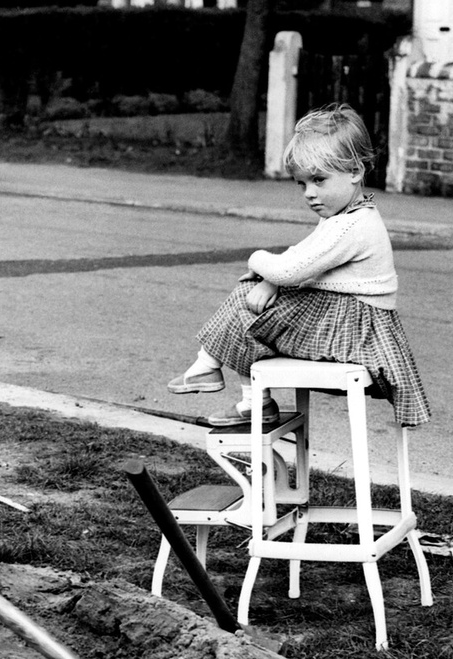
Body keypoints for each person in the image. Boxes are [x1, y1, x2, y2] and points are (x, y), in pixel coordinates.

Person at [166, 103, 430, 429]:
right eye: (302, 184)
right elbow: (302, 256)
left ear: (356, 172)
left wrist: (258, 261)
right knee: (252, 297)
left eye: (319, 180)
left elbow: (291, 270)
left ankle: (223, 377)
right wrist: (271, 280)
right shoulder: (346, 216)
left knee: (251, 308)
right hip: (343, 318)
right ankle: (232, 386)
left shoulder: (352, 226)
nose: (309, 193)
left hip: (352, 331)